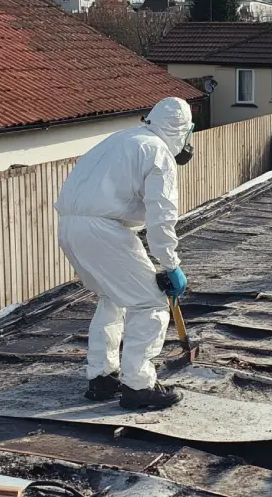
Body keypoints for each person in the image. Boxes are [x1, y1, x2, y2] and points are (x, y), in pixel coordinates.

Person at [55, 96, 194, 410]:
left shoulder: (122, 138)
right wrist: (170, 264)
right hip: (103, 230)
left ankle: (103, 377)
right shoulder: (159, 153)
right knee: (151, 302)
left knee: (113, 298)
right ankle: (138, 385)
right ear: (181, 130)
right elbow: (161, 216)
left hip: (69, 226)